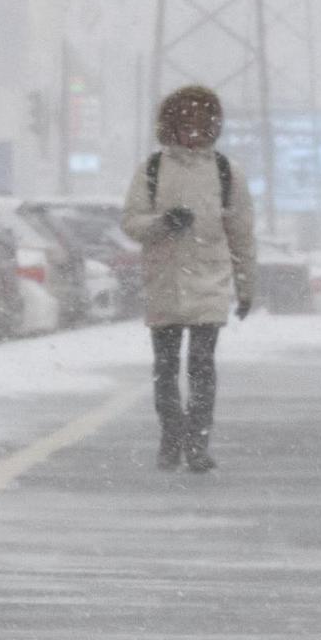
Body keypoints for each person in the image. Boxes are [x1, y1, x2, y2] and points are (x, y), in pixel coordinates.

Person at [122, 83, 261, 473]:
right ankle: (171, 437)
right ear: (171, 127)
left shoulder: (226, 173)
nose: (193, 133)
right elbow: (131, 222)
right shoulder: (152, 170)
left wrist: (247, 286)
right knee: (165, 369)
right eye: (186, 125)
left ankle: (197, 443)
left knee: (201, 366)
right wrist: (162, 224)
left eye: (202, 125)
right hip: (164, 281)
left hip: (208, 283)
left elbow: (242, 234)